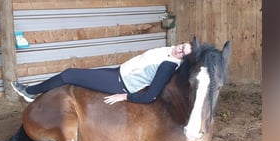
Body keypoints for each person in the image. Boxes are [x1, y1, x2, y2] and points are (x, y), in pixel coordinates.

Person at [10, 42, 193, 105]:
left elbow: (151, 96)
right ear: (181, 43)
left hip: (120, 82)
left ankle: (31, 93)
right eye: (182, 47)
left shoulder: (169, 64)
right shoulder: (169, 50)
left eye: (184, 53)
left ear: (183, 59)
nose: (180, 51)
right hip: (118, 71)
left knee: (69, 74)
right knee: (76, 77)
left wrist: (125, 97)